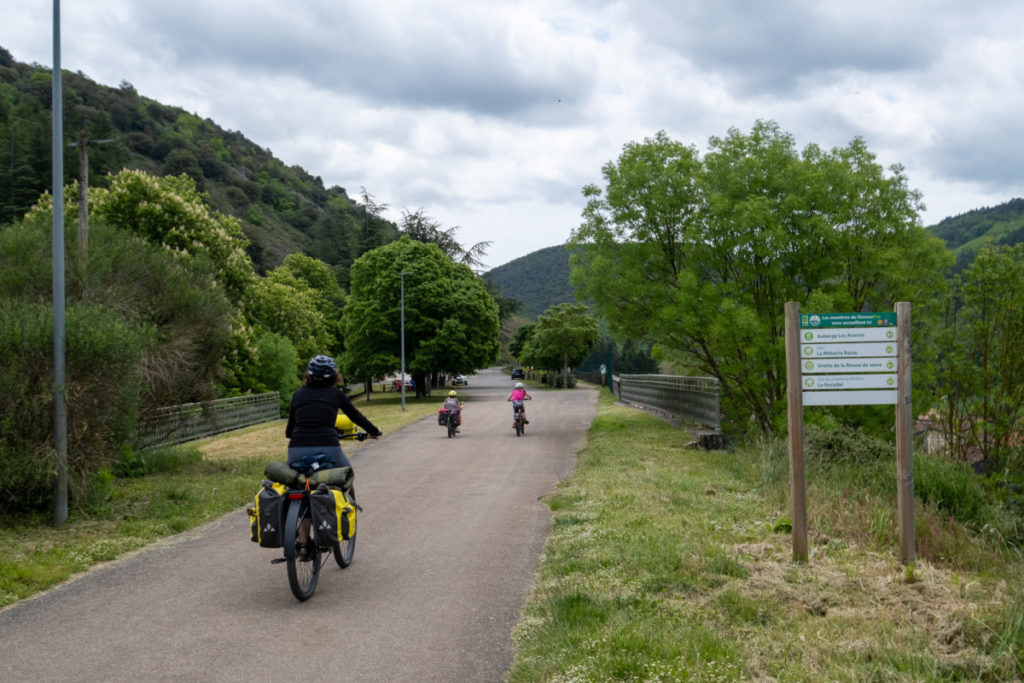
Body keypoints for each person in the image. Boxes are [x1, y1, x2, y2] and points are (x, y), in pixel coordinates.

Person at [285, 354, 382, 556]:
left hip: (296, 451)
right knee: (344, 477)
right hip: (328, 448)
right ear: (334, 376)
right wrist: (374, 431)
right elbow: (356, 416)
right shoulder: (335, 395)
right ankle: (332, 527)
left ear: (309, 375)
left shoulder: (298, 394)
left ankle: (303, 544)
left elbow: (289, 431)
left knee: (301, 488)